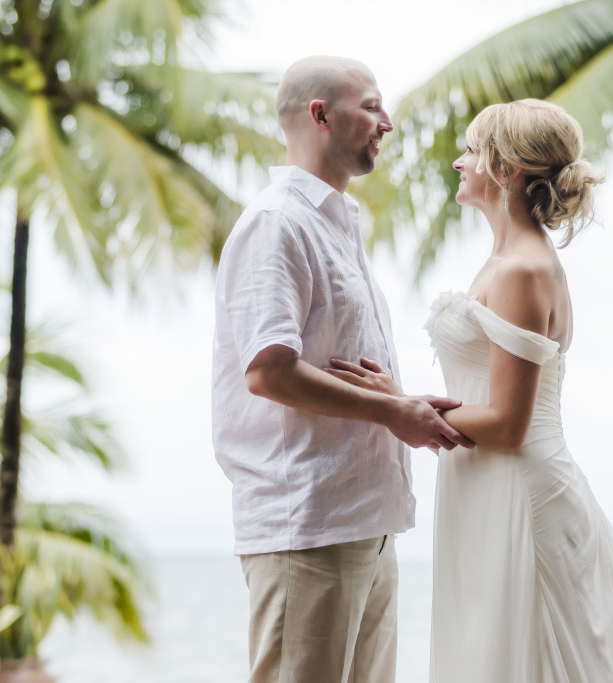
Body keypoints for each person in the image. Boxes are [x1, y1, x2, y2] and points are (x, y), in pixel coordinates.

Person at [329, 99, 613, 682]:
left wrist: (399, 405)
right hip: (487, 480)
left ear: (508, 168)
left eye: (472, 150)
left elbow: (507, 422)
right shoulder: (507, 263)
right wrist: (400, 399)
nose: (458, 162)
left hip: (518, 483)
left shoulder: (522, 269)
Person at [211, 56, 473, 683]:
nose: (388, 123)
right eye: (373, 106)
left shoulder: (338, 226)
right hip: (307, 524)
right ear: (320, 115)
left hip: (365, 522)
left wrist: (404, 404)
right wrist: (393, 411)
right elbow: (269, 372)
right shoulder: (279, 223)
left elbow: (342, 367)